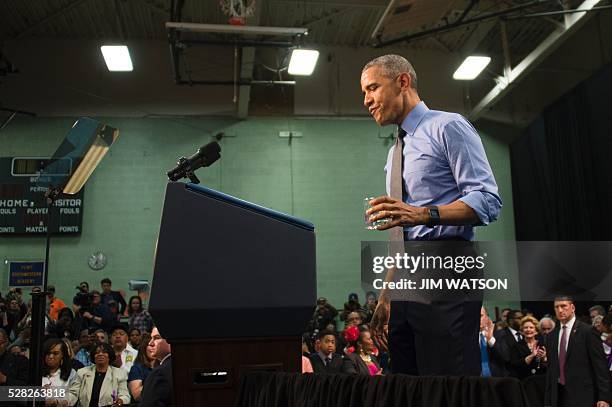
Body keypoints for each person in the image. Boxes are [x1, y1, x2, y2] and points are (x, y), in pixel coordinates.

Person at [361, 54, 502, 376]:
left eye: (372, 88)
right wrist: (386, 296)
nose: (367, 100)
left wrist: (423, 214)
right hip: (407, 275)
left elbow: (488, 200)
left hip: (447, 265)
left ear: (403, 82)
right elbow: (403, 233)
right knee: (407, 380)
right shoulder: (395, 150)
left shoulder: (447, 126)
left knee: (447, 380)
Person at [544, 296, 610, 407]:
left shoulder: (588, 331)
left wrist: (604, 397)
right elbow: (551, 371)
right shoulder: (551, 335)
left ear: (572, 307)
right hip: (558, 396)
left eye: (563, 306)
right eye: (556, 307)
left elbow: (600, 367)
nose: (560, 310)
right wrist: (548, 400)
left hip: (583, 396)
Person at [68, 342, 130, 407]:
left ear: (110, 355)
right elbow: (74, 393)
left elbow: (125, 395)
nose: (100, 354)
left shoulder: (119, 374)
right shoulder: (82, 372)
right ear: (93, 356)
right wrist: (65, 401)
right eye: (97, 353)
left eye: (104, 352)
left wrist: (121, 401)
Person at [140, 326, 173, 407]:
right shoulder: (183, 365)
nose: (150, 343)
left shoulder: (160, 373)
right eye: (151, 338)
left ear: (170, 340)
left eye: (156, 338)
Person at [41, 338, 76, 407]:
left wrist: (58, 402)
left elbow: (73, 394)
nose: (51, 356)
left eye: (55, 353)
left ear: (62, 355)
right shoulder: (35, 371)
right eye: (48, 353)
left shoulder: (71, 373)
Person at [128, 333, 155, 402]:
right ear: (144, 348)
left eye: (155, 345)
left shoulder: (163, 366)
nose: (154, 347)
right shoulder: (137, 368)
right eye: (151, 345)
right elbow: (137, 396)